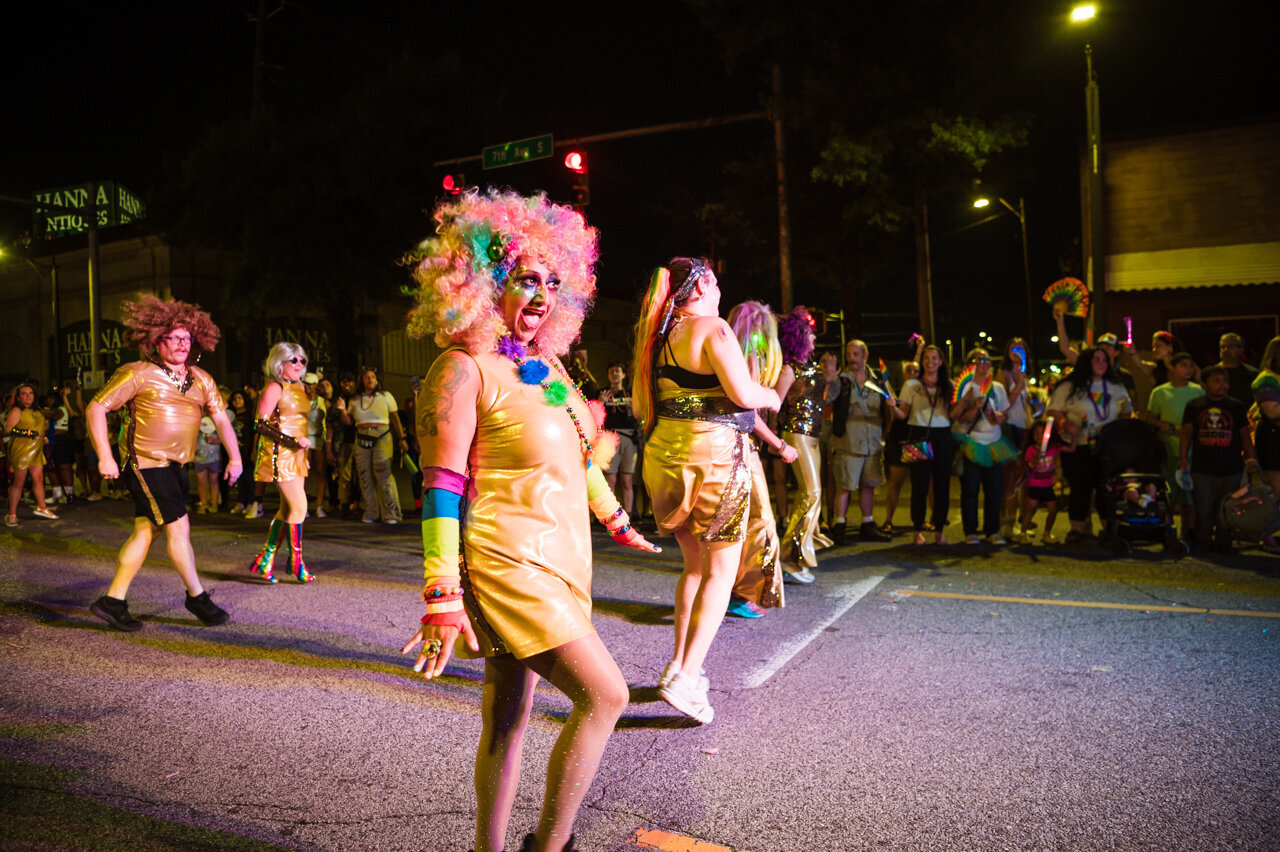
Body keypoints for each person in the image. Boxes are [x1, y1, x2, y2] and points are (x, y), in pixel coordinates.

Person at [399, 188, 658, 852]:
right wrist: (440, 593)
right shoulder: (460, 369)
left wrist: (618, 519)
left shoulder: (547, 370)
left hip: (563, 557)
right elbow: (442, 487)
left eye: (551, 282)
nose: (540, 295)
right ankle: (550, 847)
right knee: (605, 697)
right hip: (506, 561)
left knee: (507, 714)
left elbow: (581, 456)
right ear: (486, 285)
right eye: (523, 279)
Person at [634, 256, 782, 723]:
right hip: (714, 460)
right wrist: (772, 395)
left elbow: (644, 405)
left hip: (666, 462)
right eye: (715, 282)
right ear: (696, 290)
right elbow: (743, 394)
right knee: (722, 570)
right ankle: (686, 676)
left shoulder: (656, 338)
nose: (720, 290)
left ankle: (679, 665)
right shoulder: (713, 328)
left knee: (693, 567)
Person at [86, 295, 242, 631]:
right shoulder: (138, 373)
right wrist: (104, 455)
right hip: (146, 462)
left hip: (176, 466)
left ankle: (112, 601)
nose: (183, 344)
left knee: (146, 531)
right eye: (175, 338)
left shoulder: (202, 378)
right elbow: (96, 408)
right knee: (178, 526)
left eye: (188, 338)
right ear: (157, 341)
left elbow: (222, 419)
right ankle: (197, 598)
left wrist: (236, 458)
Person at [726, 300, 796, 619]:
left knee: (737, 522)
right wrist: (780, 445)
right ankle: (742, 592)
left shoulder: (727, 353)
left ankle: (734, 591)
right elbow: (750, 413)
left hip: (724, 447)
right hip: (740, 447)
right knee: (760, 520)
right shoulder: (748, 357)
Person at [1047, 347, 1133, 543]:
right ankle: (1077, 528)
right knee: (1080, 485)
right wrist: (1064, 423)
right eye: (1097, 359)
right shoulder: (1069, 387)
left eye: (1105, 360)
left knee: (1105, 486)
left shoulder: (1115, 387)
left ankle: (1108, 527)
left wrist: (1122, 425)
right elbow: (1053, 410)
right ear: (1087, 362)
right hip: (1078, 444)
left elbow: (1126, 411)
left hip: (1107, 446)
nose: (1102, 363)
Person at [246, 343, 315, 583]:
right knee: (299, 508)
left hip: (298, 454)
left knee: (286, 510)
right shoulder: (274, 386)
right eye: (293, 360)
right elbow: (260, 424)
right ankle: (296, 562)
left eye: (302, 361)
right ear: (280, 362)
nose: (299, 365)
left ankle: (266, 559)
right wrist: (292, 440)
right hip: (281, 453)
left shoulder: (302, 387)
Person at [776, 306, 833, 581]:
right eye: (810, 334)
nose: (814, 339)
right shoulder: (789, 368)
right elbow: (774, 404)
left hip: (813, 436)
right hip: (796, 434)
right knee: (811, 494)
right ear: (799, 337)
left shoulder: (810, 365)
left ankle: (797, 554)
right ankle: (788, 558)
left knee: (810, 494)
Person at [1180, 365, 1260, 555]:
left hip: (1231, 467)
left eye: (1225, 381)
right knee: (1204, 509)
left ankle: (1224, 542)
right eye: (1216, 381)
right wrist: (1183, 458)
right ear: (1204, 384)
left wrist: (1251, 459)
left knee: (1226, 509)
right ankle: (1203, 541)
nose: (1222, 385)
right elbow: (1187, 433)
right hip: (1203, 468)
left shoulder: (1236, 406)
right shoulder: (1194, 405)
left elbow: (1244, 436)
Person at [830, 339, 892, 545]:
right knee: (845, 485)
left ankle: (868, 524)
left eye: (855, 354)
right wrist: (829, 380)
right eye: (849, 355)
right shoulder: (843, 380)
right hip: (848, 442)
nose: (851, 359)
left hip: (873, 443)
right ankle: (839, 525)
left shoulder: (879, 380)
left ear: (865, 355)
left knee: (869, 485)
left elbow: (891, 405)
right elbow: (828, 400)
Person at [952, 348, 1015, 545]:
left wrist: (1000, 417)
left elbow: (1006, 414)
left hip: (994, 443)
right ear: (972, 365)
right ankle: (970, 531)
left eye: (987, 359)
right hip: (973, 442)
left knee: (994, 490)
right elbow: (957, 416)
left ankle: (992, 531)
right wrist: (974, 406)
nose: (984, 363)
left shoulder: (997, 388)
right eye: (979, 360)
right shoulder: (965, 387)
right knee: (970, 490)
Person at [894, 345, 954, 545]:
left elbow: (953, 414)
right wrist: (892, 407)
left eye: (934, 358)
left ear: (941, 361)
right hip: (918, 434)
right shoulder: (912, 385)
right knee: (919, 485)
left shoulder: (949, 386)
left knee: (942, 486)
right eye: (927, 358)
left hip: (943, 435)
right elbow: (903, 414)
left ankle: (939, 530)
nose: (930, 362)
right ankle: (917, 530)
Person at [1145, 352, 1202, 540]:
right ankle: (1167, 529)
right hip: (1168, 449)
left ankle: (1189, 531)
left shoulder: (1197, 391)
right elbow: (1151, 417)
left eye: (1191, 366)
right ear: (1172, 367)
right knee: (1167, 493)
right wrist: (1168, 427)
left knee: (1189, 494)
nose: (1189, 369)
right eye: (1184, 365)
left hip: (1192, 451)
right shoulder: (1160, 392)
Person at [341, 367, 407, 524]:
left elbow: (395, 417)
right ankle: (371, 511)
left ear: (377, 380)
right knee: (364, 475)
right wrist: (342, 411)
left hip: (382, 435)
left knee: (383, 472)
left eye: (372, 377)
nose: (369, 379)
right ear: (361, 380)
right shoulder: (355, 399)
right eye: (366, 377)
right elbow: (349, 422)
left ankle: (391, 513)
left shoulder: (386, 396)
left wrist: (402, 438)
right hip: (361, 436)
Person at [5, 383, 58, 526]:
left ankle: (42, 507)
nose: (28, 396)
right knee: (19, 483)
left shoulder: (37, 411)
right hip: (21, 450)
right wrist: (30, 433)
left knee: (39, 478)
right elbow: (9, 430)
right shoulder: (17, 410)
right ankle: (12, 514)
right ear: (19, 397)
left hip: (36, 449)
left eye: (30, 393)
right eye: (24, 393)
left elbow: (39, 427)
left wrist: (42, 437)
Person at [880, 358, 921, 533]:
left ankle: (926, 520)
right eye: (909, 371)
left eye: (915, 371)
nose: (912, 374)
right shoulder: (896, 392)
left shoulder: (923, 392)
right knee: (896, 483)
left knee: (922, 484)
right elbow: (896, 416)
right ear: (904, 374)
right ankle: (888, 519)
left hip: (917, 441)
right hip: (898, 441)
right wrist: (892, 408)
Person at [598, 362, 638, 515]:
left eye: (617, 371)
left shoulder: (630, 393)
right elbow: (594, 415)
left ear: (623, 375)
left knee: (627, 480)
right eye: (611, 371)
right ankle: (609, 515)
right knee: (610, 480)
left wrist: (632, 408)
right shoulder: (602, 392)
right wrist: (600, 402)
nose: (615, 374)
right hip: (609, 437)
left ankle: (628, 515)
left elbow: (639, 416)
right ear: (608, 376)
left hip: (628, 437)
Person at [1016, 419, 1062, 545]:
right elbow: (1030, 465)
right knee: (1030, 510)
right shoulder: (1031, 449)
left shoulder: (1053, 448)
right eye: (1036, 433)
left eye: (1042, 433)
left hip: (1047, 485)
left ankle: (1047, 533)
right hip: (1034, 485)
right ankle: (1022, 533)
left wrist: (1058, 479)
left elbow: (1067, 451)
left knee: (1053, 509)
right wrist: (1037, 456)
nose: (1039, 436)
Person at [1252, 336, 1280, 510]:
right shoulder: (1266, 379)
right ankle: (1269, 532)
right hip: (1273, 437)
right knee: (1276, 488)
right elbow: (1272, 411)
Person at [1214, 332, 1258, 406]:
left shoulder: (1251, 373)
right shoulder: (1212, 373)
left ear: (1241, 350)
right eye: (1223, 347)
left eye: (1231, 346)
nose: (1226, 350)